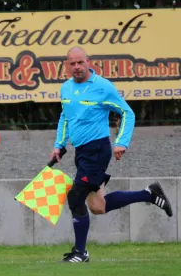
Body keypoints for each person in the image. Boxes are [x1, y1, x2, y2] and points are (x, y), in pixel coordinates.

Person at [52, 47, 173, 263]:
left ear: (88, 62)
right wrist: (59, 145)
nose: (77, 67)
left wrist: (121, 142)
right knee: (98, 207)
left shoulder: (103, 87)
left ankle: (80, 252)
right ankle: (149, 194)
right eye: (73, 63)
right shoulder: (66, 89)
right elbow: (65, 117)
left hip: (97, 150)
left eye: (81, 62)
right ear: (66, 65)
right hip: (82, 153)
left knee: (75, 196)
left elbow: (127, 112)